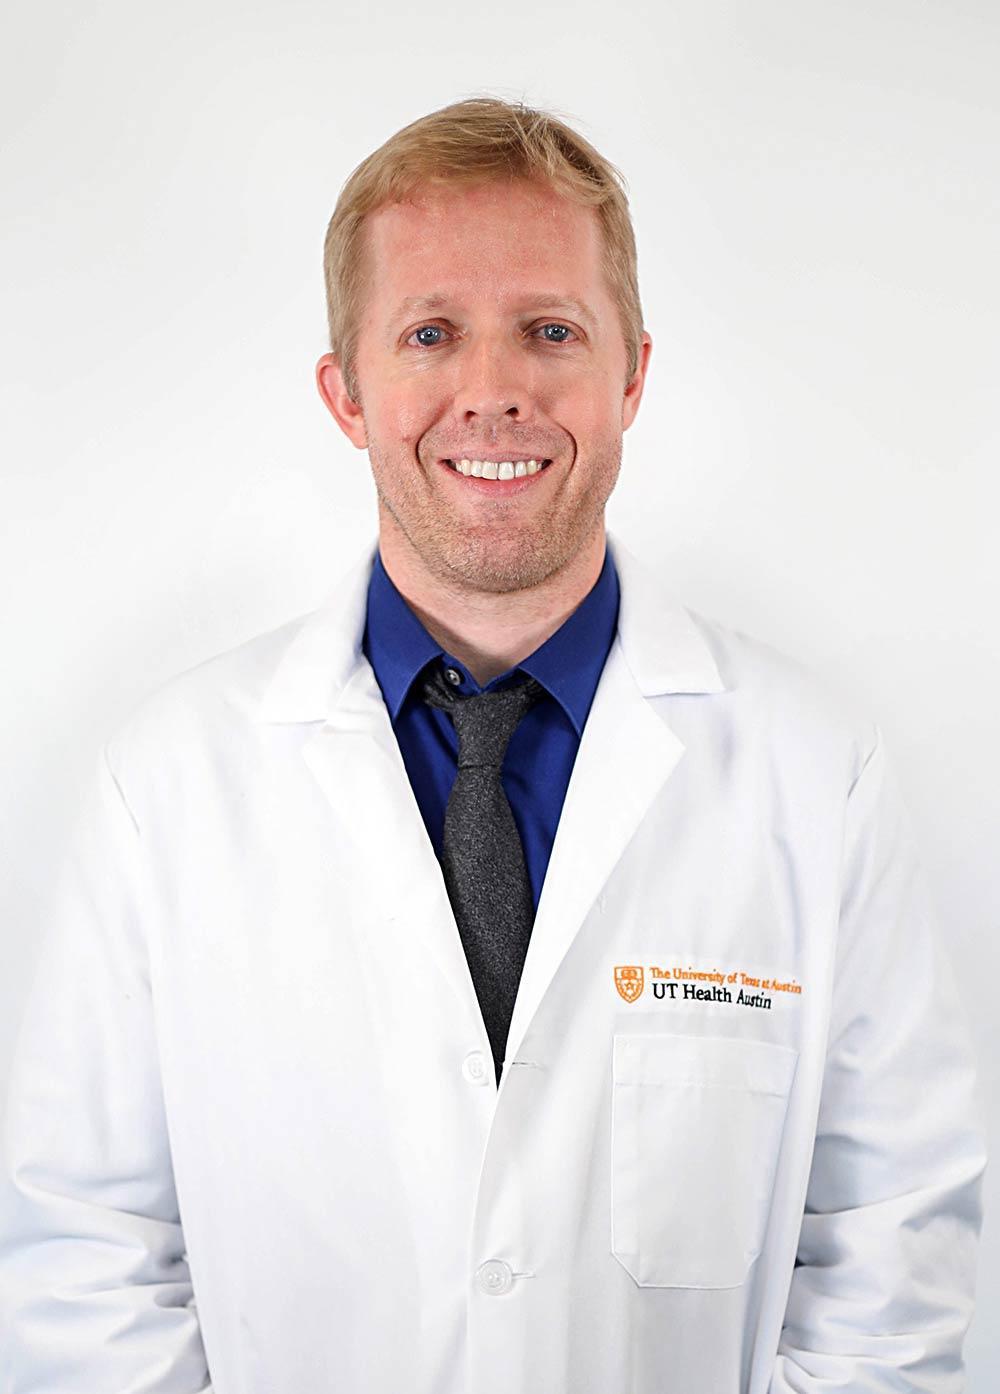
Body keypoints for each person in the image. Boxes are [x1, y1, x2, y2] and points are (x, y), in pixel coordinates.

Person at [0, 96, 987, 1394]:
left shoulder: (816, 774)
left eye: (551, 330)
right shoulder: (168, 782)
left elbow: (893, 1259)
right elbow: (87, 1258)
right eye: (429, 333)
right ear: (345, 392)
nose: (494, 390)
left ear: (632, 372)